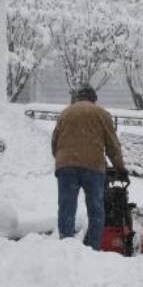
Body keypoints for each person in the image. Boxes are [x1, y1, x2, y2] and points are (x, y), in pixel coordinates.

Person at [51, 84, 126, 250]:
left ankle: (65, 248)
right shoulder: (101, 113)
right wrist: (120, 168)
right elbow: (112, 145)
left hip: (66, 167)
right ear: (94, 99)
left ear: (78, 98)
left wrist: (65, 160)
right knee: (95, 208)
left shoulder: (66, 113)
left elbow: (55, 142)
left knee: (66, 207)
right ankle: (93, 248)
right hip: (92, 167)